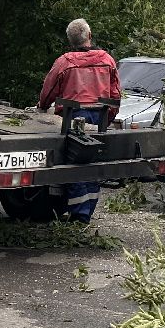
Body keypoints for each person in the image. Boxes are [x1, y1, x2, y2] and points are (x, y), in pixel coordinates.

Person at [38, 18, 121, 223]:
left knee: (74, 165)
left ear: (70, 41)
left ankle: (80, 215)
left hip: (73, 120)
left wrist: (42, 107)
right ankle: (87, 210)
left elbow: (48, 91)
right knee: (92, 163)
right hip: (98, 120)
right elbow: (115, 95)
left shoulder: (65, 62)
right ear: (89, 36)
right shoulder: (107, 60)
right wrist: (108, 118)